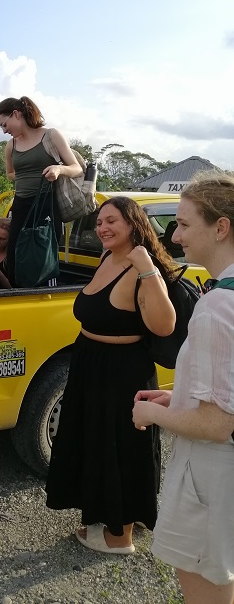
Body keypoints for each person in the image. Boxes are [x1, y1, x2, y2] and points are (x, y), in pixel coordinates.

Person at [46, 196, 176, 554]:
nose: (102, 227)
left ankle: (121, 536)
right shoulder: (107, 258)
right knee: (97, 443)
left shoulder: (142, 268)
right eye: (99, 221)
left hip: (122, 372)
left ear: (133, 224)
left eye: (111, 221)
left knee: (122, 449)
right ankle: (116, 513)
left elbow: (164, 325)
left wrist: (147, 269)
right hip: (91, 364)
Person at [133, 173, 234, 602]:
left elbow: (217, 425)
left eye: (185, 224)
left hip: (210, 478)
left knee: (207, 589)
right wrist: (179, 397)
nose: (174, 236)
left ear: (221, 227)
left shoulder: (216, 307)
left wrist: (152, 413)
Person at [0, 96, 82, 286]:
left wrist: (59, 169)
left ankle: (44, 297)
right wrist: (26, 176)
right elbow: (10, 174)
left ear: (16, 114)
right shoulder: (11, 145)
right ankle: (17, 297)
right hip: (20, 204)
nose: (4, 130)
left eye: (4, 124)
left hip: (45, 204)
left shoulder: (51, 135)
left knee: (42, 259)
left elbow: (77, 168)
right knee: (15, 257)